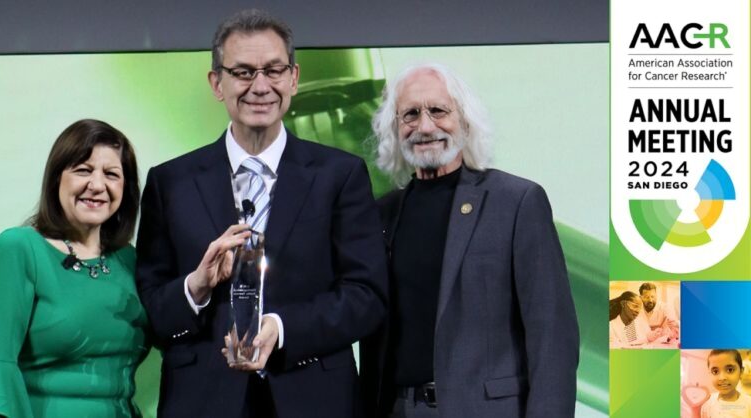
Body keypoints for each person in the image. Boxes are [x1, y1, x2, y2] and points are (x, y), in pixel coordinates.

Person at [134, 9, 387, 418]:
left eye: (273, 70)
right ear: (217, 83)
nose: (261, 86)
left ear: (294, 78)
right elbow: (150, 309)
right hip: (202, 401)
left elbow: (367, 296)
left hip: (315, 397)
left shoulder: (340, 175)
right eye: (243, 72)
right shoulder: (170, 182)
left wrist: (282, 329)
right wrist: (195, 287)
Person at [360, 63, 579, 417]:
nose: (425, 126)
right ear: (394, 128)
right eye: (411, 114)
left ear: (464, 120)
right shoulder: (380, 214)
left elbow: (553, 335)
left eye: (438, 111)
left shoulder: (516, 202)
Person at [0, 119, 147, 417]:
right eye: (83, 170)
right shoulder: (18, 248)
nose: (97, 185)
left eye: (111, 174)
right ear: (57, 179)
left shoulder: (129, 260)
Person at [701, 349, 751, 418]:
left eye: (730, 370)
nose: (722, 378)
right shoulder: (707, 406)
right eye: (715, 372)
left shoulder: (749, 404)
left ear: (741, 372)